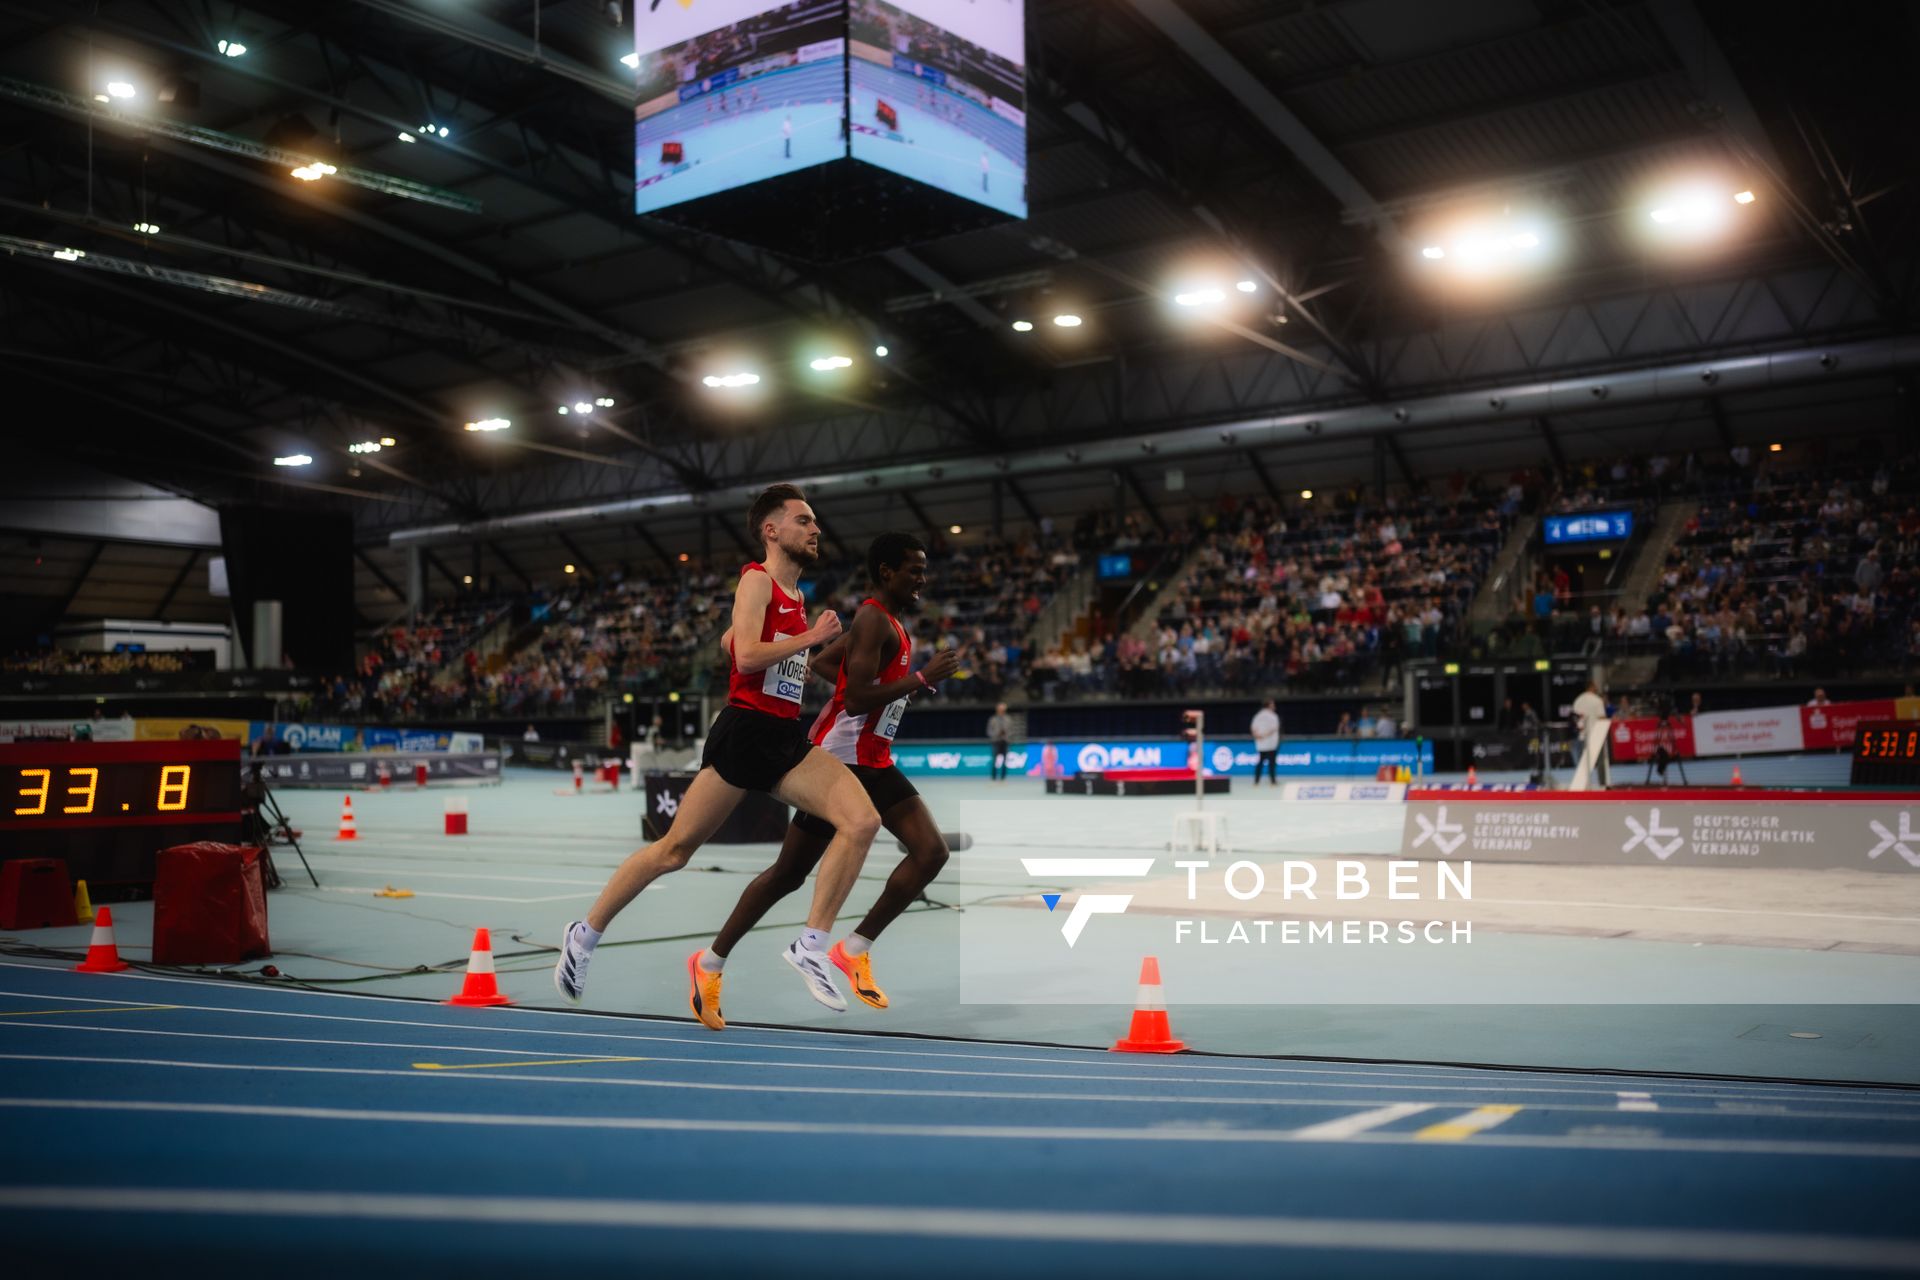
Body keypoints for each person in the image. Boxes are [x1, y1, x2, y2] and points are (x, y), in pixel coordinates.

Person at [554, 484, 882, 1015]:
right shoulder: (757, 579)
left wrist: (774, 644)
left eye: (815, 522)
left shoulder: (796, 600)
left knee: (861, 821)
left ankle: (812, 948)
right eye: (804, 521)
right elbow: (749, 656)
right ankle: (584, 934)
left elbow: (732, 643)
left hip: (784, 738)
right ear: (771, 531)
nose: (815, 529)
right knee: (674, 851)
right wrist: (810, 640)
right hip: (744, 733)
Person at [695, 533, 964, 1025]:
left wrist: (862, 685)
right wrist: (922, 680)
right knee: (793, 873)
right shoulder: (870, 618)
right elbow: (859, 700)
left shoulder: (888, 623)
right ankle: (723, 959)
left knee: (922, 853)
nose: (923, 579)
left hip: (874, 757)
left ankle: (847, 948)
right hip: (846, 757)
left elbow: (821, 663)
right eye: (914, 570)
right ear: (886, 572)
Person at [1250, 699, 1281, 786]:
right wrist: (1264, 736)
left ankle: (1256, 782)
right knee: (1271, 763)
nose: (1274, 706)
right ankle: (1273, 782)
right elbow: (1274, 728)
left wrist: (1259, 736)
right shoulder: (1273, 716)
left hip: (1262, 743)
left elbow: (1253, 729)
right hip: (1271, 744)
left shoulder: (1257, 716)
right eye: (1273, 704)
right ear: (1269, 705)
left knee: (1260, 762)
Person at [986, 702, 1013, 782]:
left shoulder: (1008, 719)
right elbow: (989, 731)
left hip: (1005, 741)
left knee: (1005, 760)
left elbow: (1011, 731)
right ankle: (993, 777)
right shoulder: (992, 719)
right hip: (996, 741)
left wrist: (1006, 735)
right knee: (995, 760)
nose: (1001, 710)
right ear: (997, 710)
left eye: (1003, 709)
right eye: (1000, 709)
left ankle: (1003, 777)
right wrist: (996, 734)